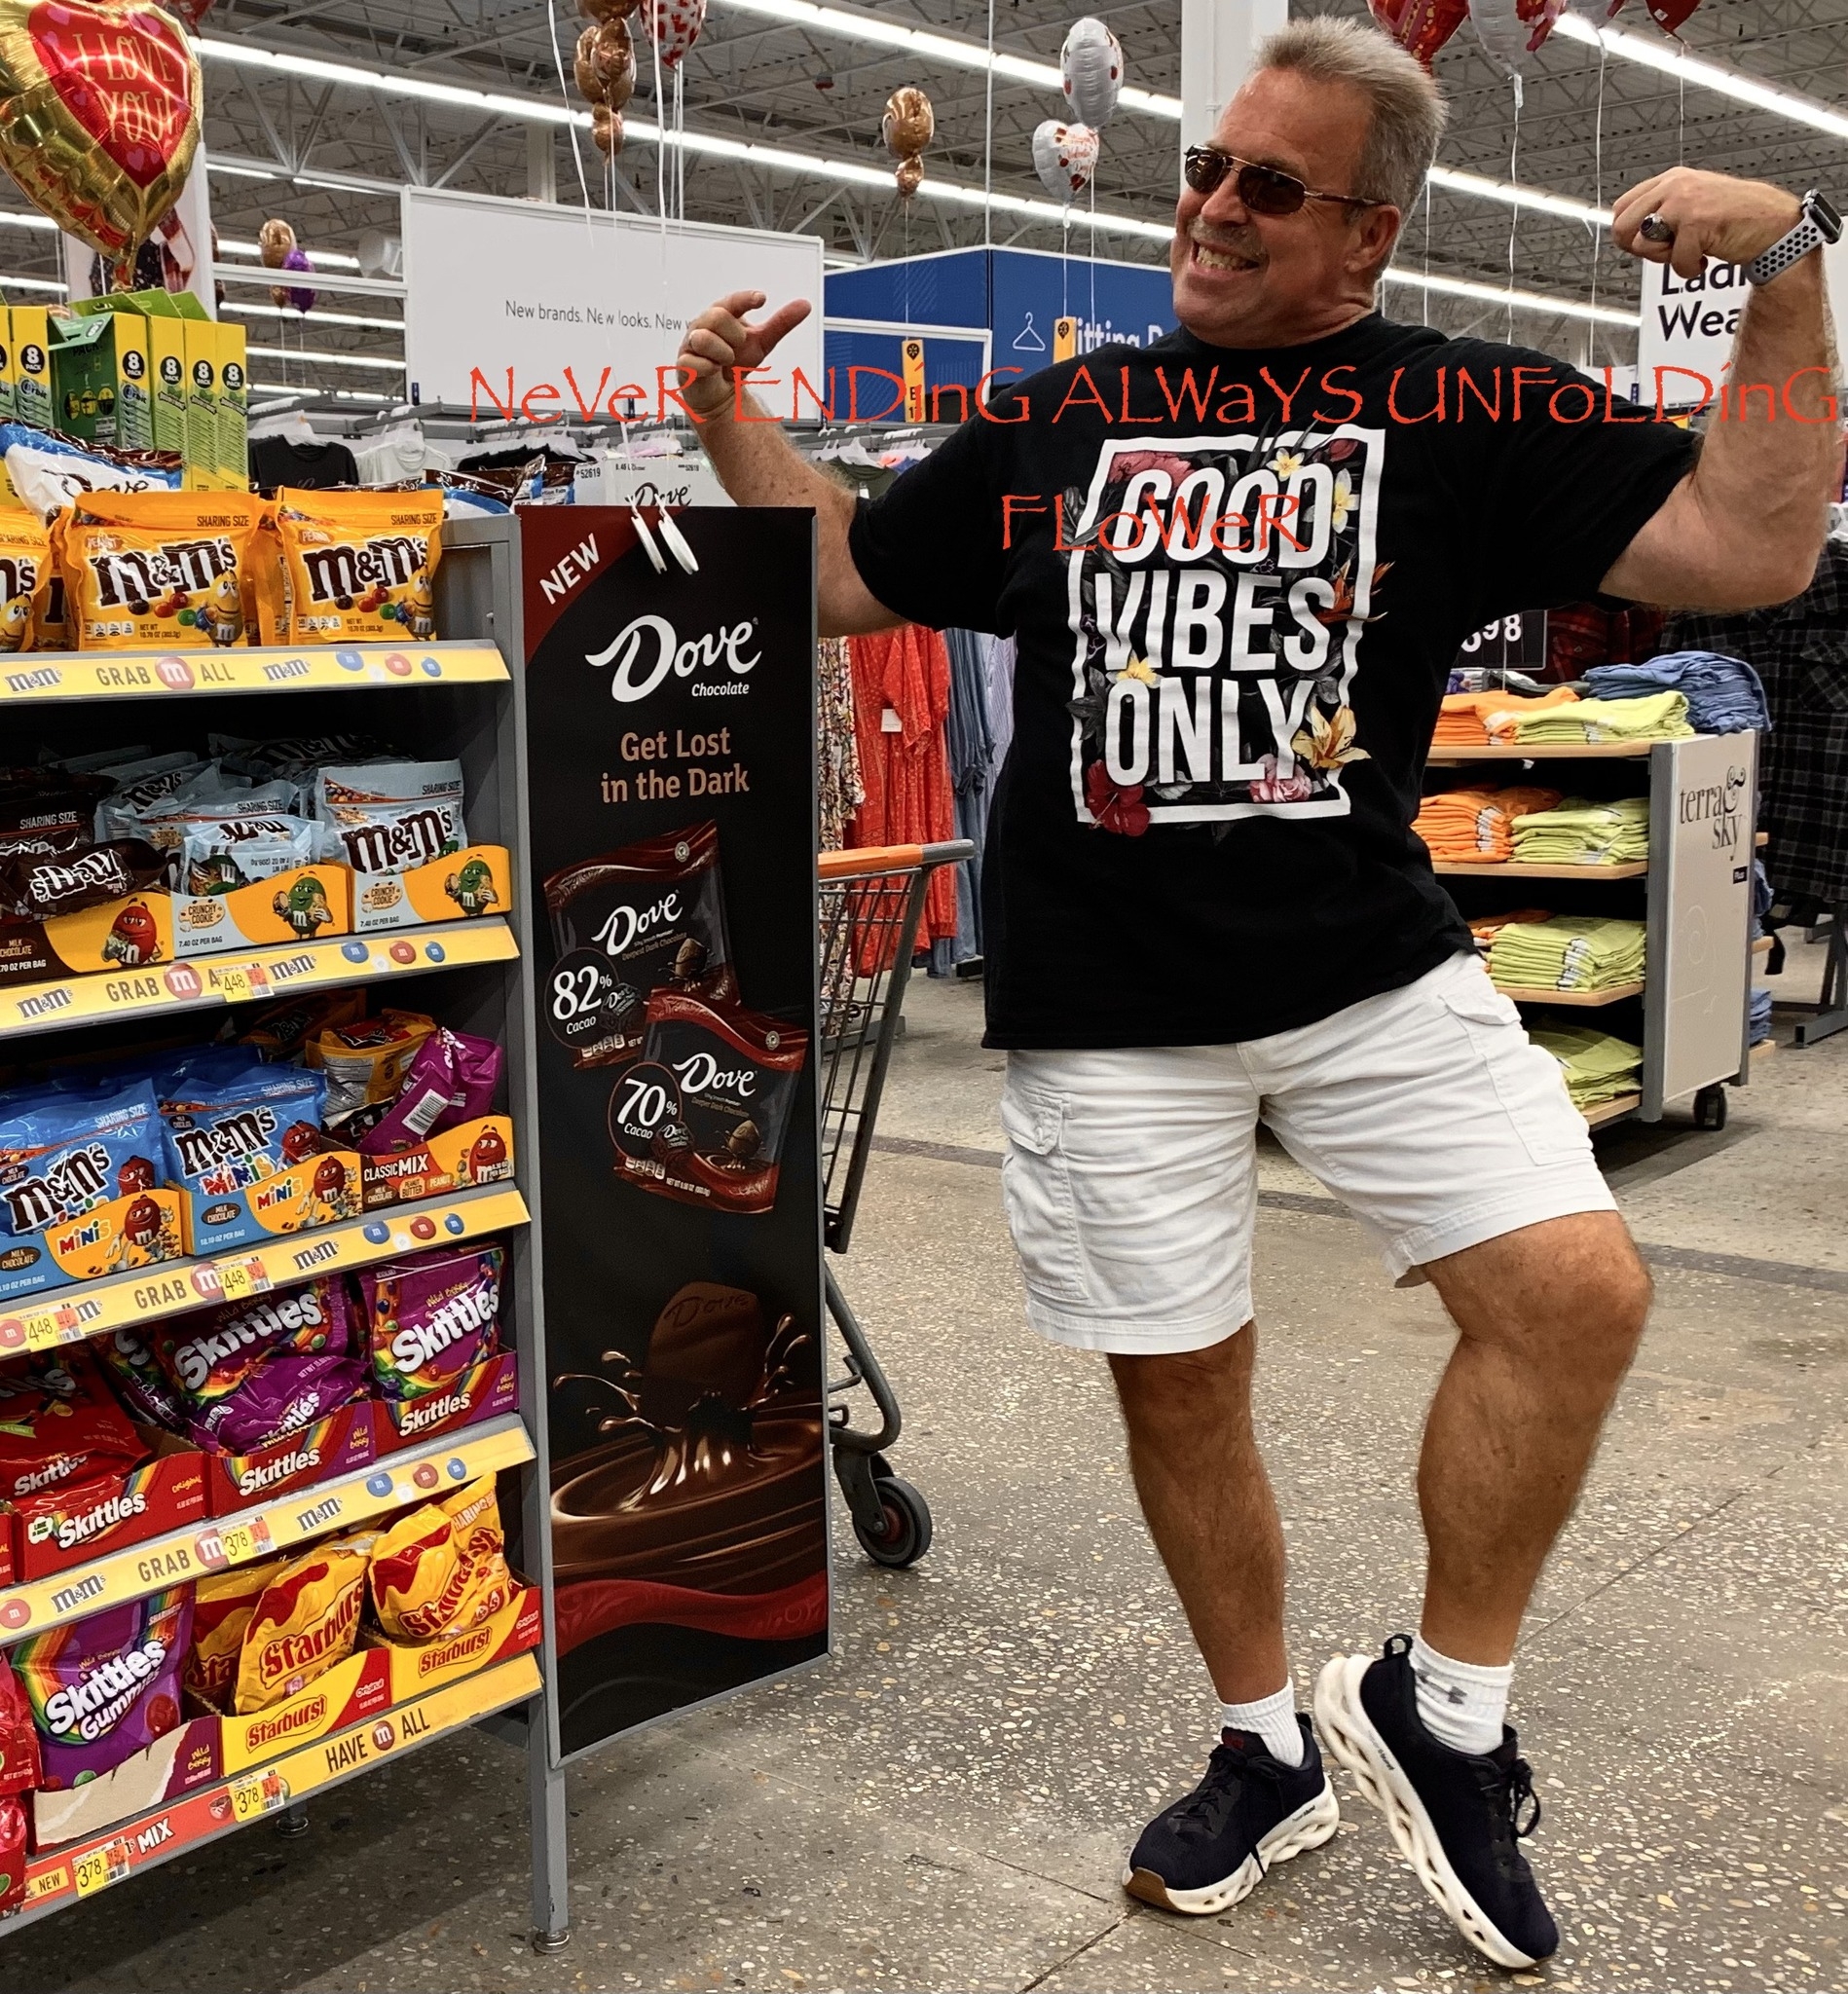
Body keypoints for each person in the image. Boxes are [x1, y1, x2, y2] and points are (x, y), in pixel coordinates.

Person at [672, 16, 1834, 1971]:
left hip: (1366, 966)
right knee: (1181, 1379)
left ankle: (1443, 1712)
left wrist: (1787, 271)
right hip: (1104, 999)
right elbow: (844, 578)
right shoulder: (1063, 413)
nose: (1211, 208)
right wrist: (727, 423)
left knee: (1574, 1294)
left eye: (1269, 187)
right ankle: (1261, 1746)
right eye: (1204, 169)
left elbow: (1754, 541)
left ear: (1369, 233)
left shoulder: (1459, 404)